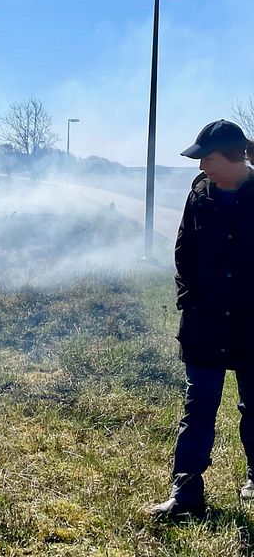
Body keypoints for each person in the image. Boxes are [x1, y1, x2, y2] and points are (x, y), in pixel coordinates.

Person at [151, 120, 254, 519]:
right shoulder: (198, 195)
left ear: (234, 156)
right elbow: (184, 250)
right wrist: (188, 298)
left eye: (206, 158)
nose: (200, 168)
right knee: (199, 405)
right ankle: (186, 493)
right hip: (205, 323)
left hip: (251, 325)